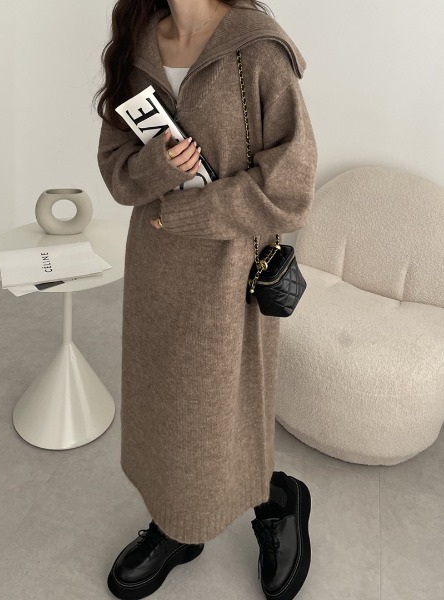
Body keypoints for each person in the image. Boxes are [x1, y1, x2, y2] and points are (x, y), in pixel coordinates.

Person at [94, 0, 317, 598]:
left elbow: (291, 182)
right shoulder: (138, 42)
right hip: (154, 267)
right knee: (163, 404)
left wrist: (190, 211)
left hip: (230, 272)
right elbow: (115, 167)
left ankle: (276, 503)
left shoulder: (258, 48)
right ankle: (176, 522)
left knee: (224, 407)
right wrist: (159, 167)